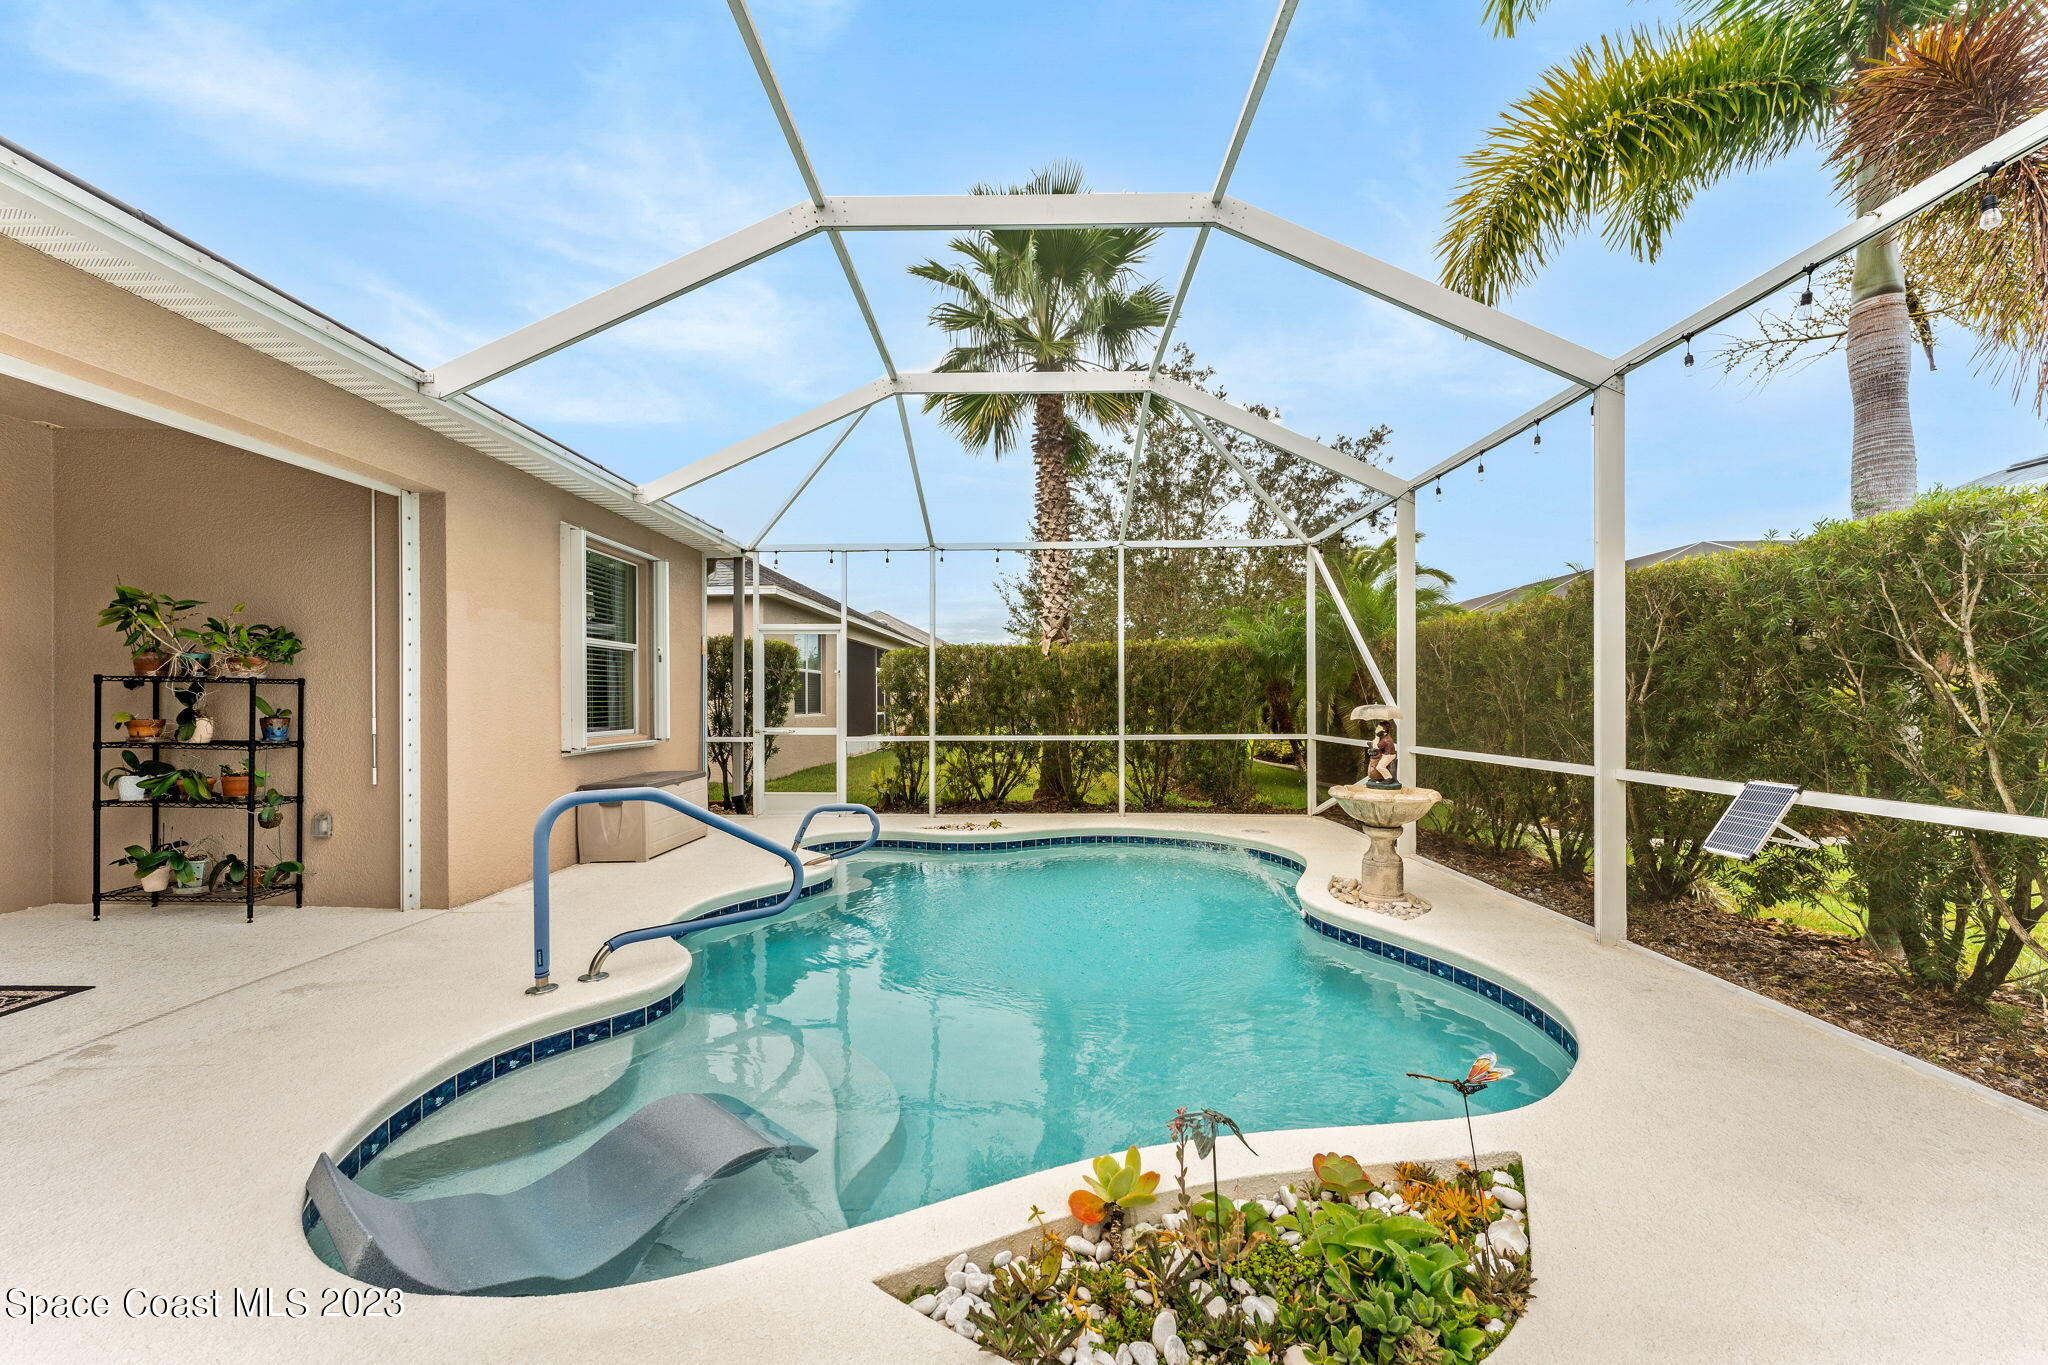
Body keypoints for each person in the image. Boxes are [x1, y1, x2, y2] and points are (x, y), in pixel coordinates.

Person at [1366, 720, 1399, 787]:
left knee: (1380, 767)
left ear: (1382, 731)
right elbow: (1374, 743)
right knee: (1375, 765)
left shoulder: (1385, 740)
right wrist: (1377, 737)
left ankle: (1388, 778)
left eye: (1378, 727)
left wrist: (1377, 737)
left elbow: (1375, 747)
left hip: (1389, 755)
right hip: (1385, 754)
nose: (1376, 728)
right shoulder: (1384, 737)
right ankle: (1377, 777)